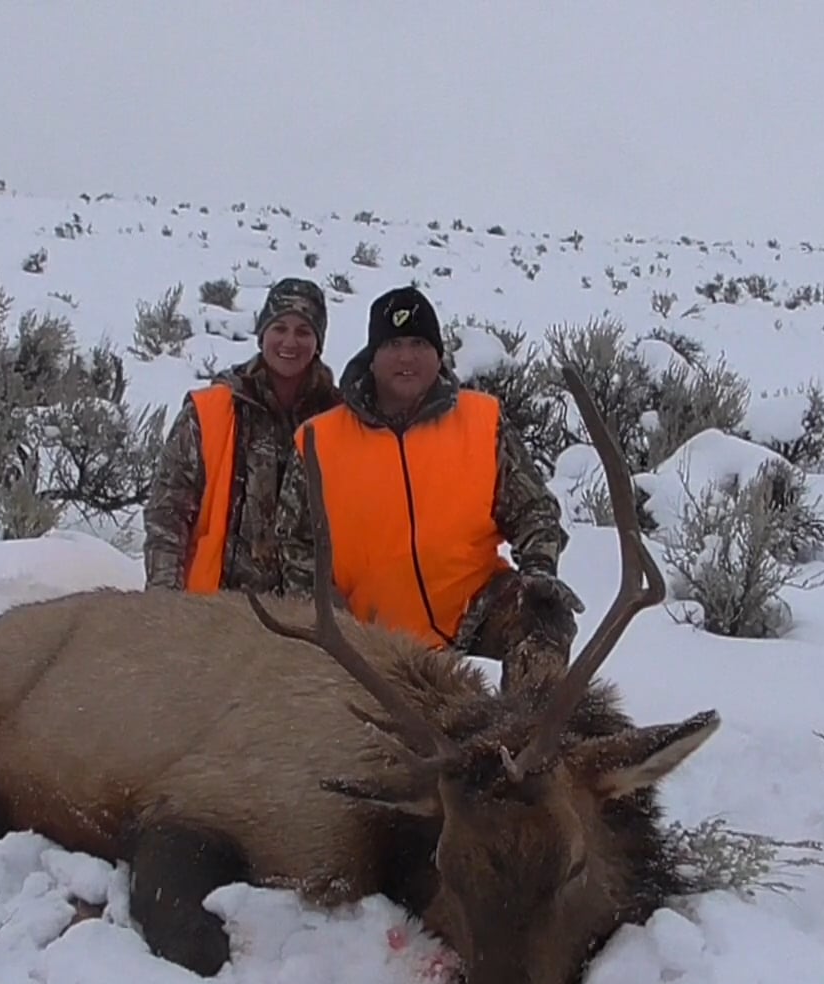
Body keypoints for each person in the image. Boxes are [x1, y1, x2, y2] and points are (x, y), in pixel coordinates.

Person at [276, 285, 584, 694]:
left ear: (438, 354)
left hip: (475, 608)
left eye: (419, 343)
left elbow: (535, 512)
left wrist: (539, 568)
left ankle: (525, 739)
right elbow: (295, 546)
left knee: (545, 618)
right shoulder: (318, 440)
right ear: (373, 358)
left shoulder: (482, 420)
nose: (407, 357)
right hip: (369, 631)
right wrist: (335, 619)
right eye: (394, 344)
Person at [143, 277, 342, 593]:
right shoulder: (212, 411)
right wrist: (164, 598)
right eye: (279, 329)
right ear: (262, 335)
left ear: (318, 342)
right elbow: (167, 513)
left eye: (304, 331)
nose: (290, 342)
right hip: (216, 613)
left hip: (308, 619)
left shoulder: (339, 420)